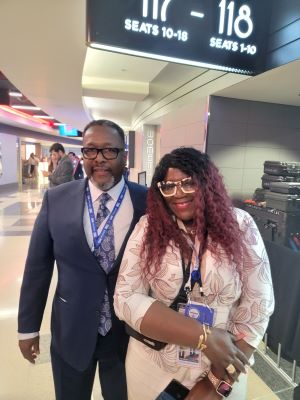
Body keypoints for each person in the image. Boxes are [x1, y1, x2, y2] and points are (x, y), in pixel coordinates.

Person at [114, 147, 275, 400]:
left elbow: (259, 305)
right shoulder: (148, 228)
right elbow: (125, 297)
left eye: (188, 183)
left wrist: (214, 384)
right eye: (169, 186)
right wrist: (204, 337)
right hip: (153, 368)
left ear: (206, 183)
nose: (178, 194)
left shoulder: (241, 225)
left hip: (222, 370)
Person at [18, 119, 147, 400]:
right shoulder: (57, 199)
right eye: (90, 150)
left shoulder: (148, 202)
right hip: (71, 329)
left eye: (109, 151)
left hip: (129, 335)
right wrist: (28, 328)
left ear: (125, 155)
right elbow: (37, 269)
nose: (99, 159)